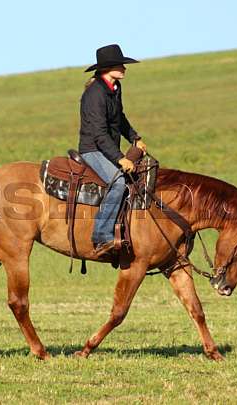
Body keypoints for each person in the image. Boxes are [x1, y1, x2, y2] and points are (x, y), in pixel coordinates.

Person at [78, 44, 147, 256]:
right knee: (117, 183)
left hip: (106, 147)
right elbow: (99, 134)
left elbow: (120, 118)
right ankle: (101, 236)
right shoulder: (95, 94)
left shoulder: (114, 89)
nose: (124, 68)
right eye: (120, 65)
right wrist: (119, 158)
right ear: (108, 68)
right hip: (92, 149)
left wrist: (135, 138)